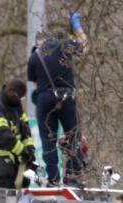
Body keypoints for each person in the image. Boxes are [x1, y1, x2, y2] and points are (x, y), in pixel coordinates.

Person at [27, 11, 89, 186]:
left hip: (45, 100)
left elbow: (35, 84)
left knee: (48, 140)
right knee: (73, 136)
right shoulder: (64, 46)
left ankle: (53, 178)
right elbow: (84, 47)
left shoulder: (34, 57)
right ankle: (74, 176)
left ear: (39, 42)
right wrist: (77, 27)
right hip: (66, 97)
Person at [0, 79, 36, 189]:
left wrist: (30, 148)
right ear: (11, 92)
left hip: (12, 152)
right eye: (20, 97)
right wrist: (22, 152)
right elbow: (3, 135)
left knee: (25, 178)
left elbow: (25, 129)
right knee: (6, 177)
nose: (21, 100)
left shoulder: (15, 104)